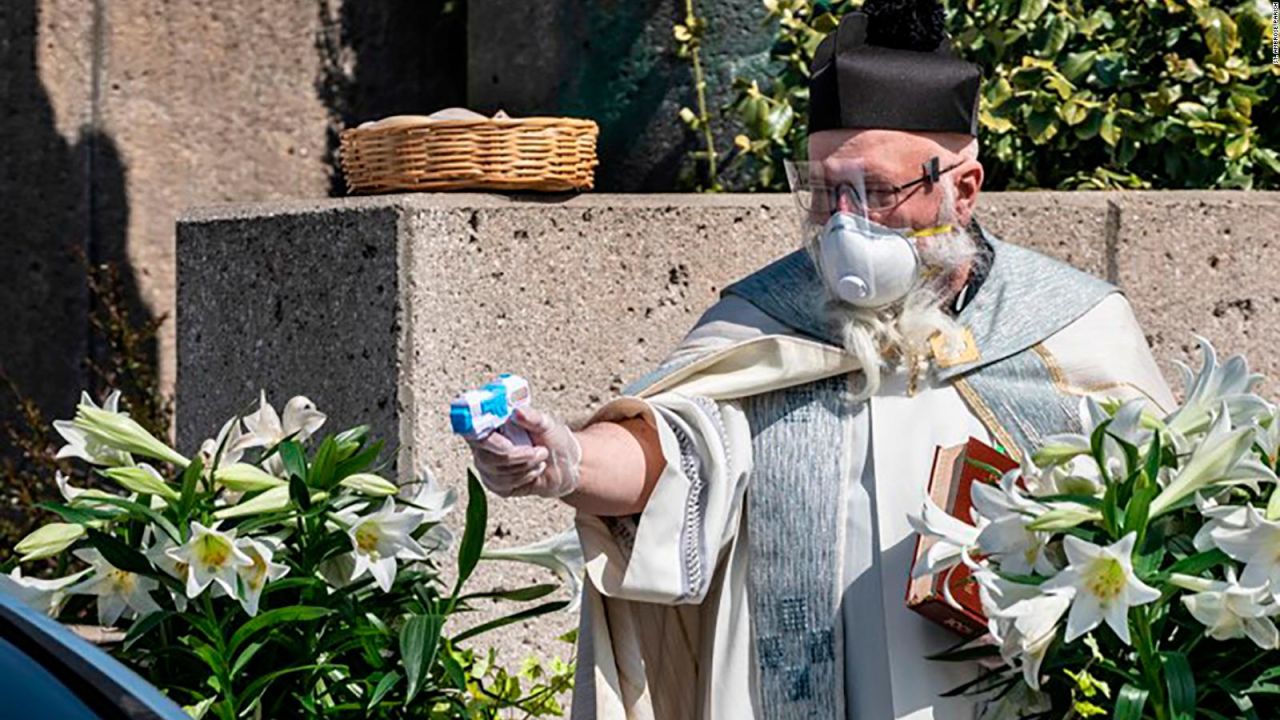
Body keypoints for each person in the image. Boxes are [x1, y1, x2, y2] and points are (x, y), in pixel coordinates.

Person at [463, 2, 1174, 718]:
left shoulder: (1069, 325)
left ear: (962, 188)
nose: (843, 220)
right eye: (826, 189)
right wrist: (568, 464)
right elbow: (680, 448)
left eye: (877, 191)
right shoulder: (766, 317)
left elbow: (1161, 514)